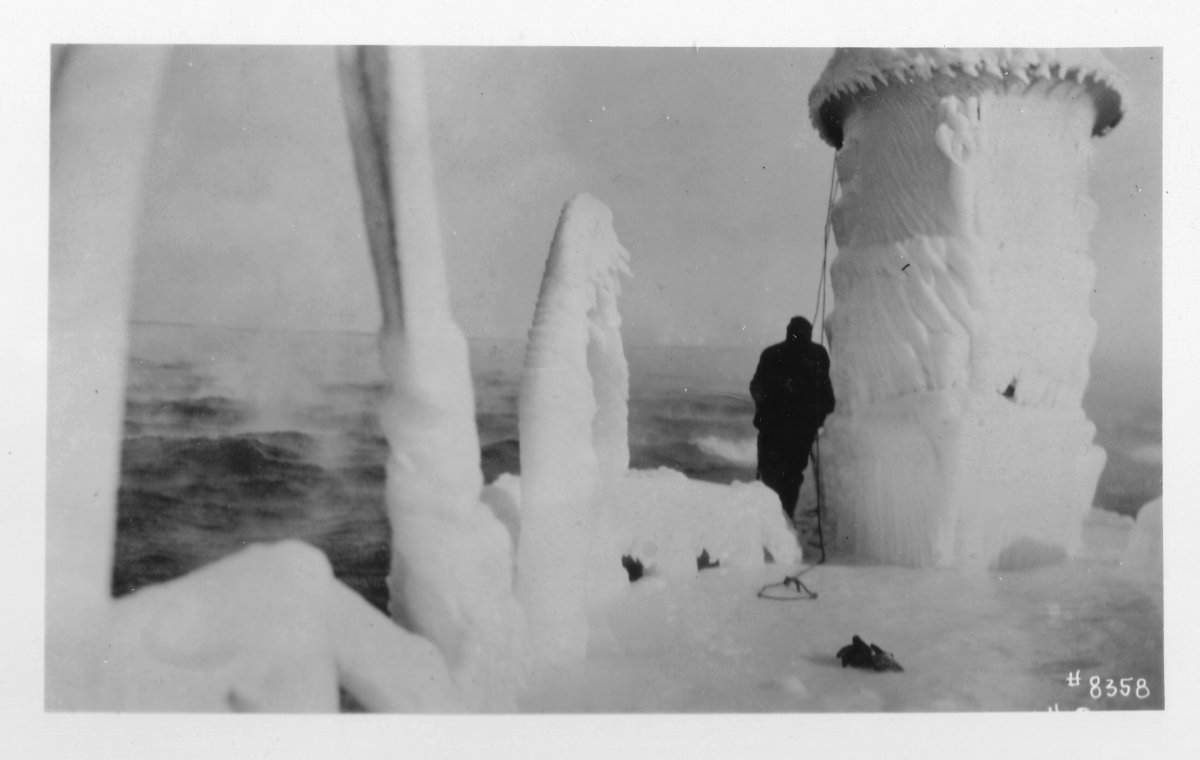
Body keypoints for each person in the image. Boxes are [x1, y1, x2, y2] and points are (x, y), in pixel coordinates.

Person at [750, 316, 835, 520]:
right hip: (800, 431)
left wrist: (766, 410)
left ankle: (774, 523)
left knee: (771, 477)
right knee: (791, 479)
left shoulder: (772, 354)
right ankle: (784, 519)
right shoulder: (817, 355)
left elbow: (756, 388)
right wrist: (817, 419)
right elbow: (827, 398)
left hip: (773, 430)